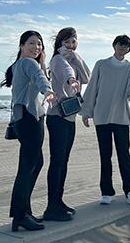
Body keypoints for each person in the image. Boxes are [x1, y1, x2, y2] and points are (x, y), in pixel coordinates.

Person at [80, 35, 130, 207]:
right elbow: (92, 87)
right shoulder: (101, 64)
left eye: (126, 46)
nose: (122, 48)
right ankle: (106, 191)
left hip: (120, 117)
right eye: (120, 44)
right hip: (102, 116)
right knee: (105, 155)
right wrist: (86, 111)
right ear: (114, 45)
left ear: (128, 49)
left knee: (124, 155)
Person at [0, 31, 56, 232]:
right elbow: (40, 78)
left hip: (24, 119)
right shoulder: (28, 64)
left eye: (39, 44)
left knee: (34, 162)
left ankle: (24, 210)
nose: (36, 47)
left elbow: (37, 76)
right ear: (21, 46)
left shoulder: (19, 65)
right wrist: (48, 91)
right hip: (30, 119)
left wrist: (42, 62)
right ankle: (20, 215)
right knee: (28, 165)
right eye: (31, 43)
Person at [44, 27, 90, 221]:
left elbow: (87, 77)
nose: (71, 46)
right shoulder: (57, 60)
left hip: (69, 117)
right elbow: (67, 73)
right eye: (67, 43)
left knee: (64, 161)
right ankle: (51, 207)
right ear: (60, 44)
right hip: (57, 117)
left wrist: (76, 56)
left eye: (74, 42)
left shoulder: (72, 58)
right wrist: (72, 79)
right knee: (57, 161)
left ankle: (58, 201)